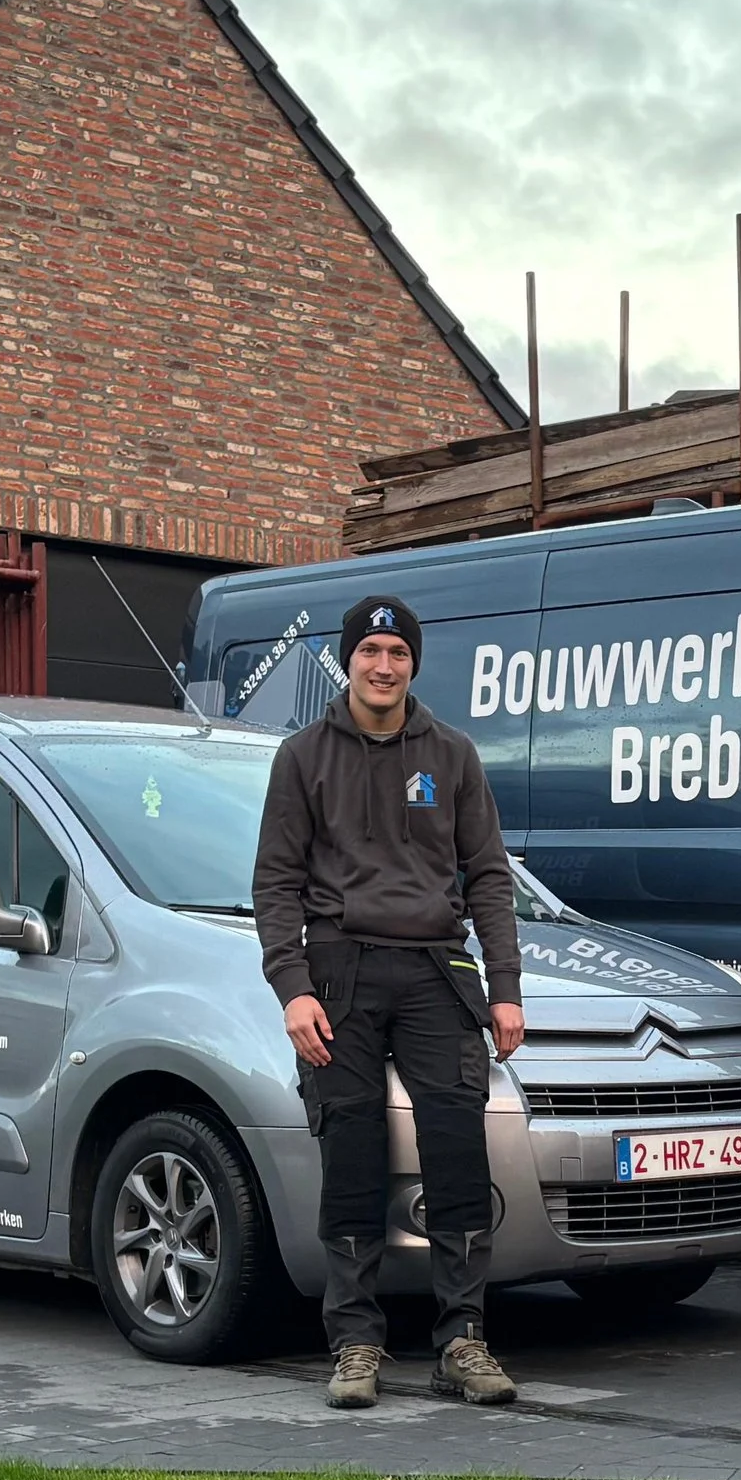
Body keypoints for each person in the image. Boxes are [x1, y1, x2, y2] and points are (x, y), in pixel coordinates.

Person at [253, 595, 526, 1409]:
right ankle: (356, 1342)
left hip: (438, 970)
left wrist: (505, 989)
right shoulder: (303, 757)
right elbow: (275, 884)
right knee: (353, 1152)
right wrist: (293, 988)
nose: (383, 664)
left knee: (455, 1148)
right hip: (338, 972)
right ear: (349, 660)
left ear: (414, 662)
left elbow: (488, 877)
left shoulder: (452, 752)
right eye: (370, 649)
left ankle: (463, 1339)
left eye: (397, 652)